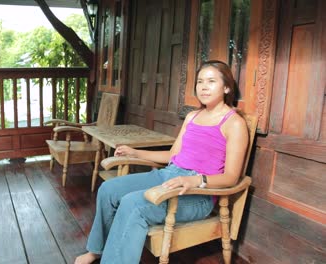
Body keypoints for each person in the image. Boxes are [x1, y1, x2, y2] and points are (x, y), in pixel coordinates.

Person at [74, 60, 249, 264]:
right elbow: (172, 156)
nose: (203, 86)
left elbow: (231, 177)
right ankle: (96, 250)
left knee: (133, 205)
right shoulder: (192, 116)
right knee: (108, 190)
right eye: (200, 81)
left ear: (226, 87)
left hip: (198, 193)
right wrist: (136, 152)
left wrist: (194, 181)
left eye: (211, 81)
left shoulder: (234, 123)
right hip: (169, 175)